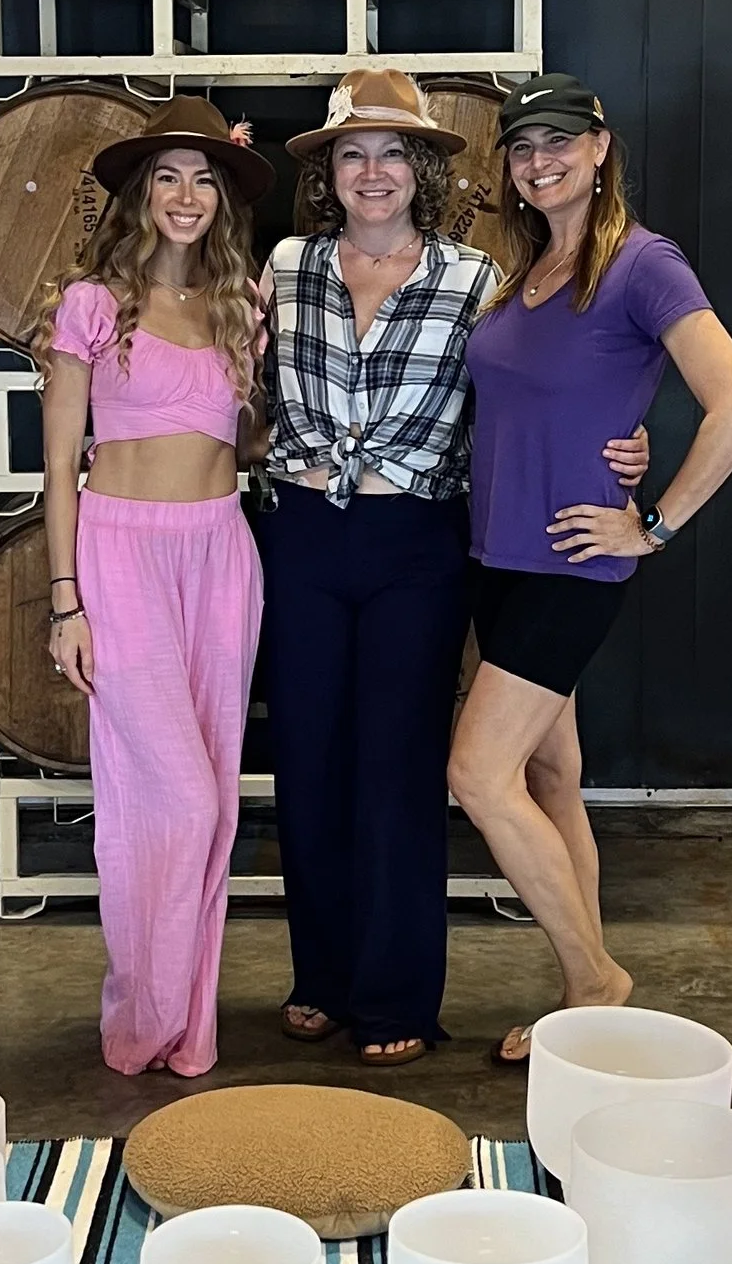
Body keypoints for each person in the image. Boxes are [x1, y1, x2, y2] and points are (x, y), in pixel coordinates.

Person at [261, 69, 649, 1068]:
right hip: (301, 533)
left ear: (425, 171)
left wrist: (626, 445)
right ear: (329, 174)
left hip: (416, 544)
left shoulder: (476, 280)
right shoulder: (287, 265)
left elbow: (538, 391)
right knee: (307, 762)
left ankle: (394, 1000)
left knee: (396, 768)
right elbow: (245, 394)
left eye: (395, 154)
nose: (373, 172)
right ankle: (322, 978)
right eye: (353, 154)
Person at [445, 76, 732, 1069]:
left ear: (599, 147)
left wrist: (655, 522)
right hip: (495, 557)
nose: (538, 160)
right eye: (521, 145)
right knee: (551, 776)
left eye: (558, 142)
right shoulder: (527, 267)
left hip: (568, 564)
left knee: (475, 774)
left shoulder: (640, 263)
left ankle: (593, 979)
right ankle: (583, 1001)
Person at [38, 97, 274, 1078]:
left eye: (204, 178)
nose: (186, 195)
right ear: (140, 195)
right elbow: (59, 470)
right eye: (168, 177)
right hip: (122, 555)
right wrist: (64, 603)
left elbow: (252, 439)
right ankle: (140, 1007)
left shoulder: (241, 311)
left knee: (211, 799)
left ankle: (188, 1026)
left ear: (223, 196)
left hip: (221, 555)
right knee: (165, 799)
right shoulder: (90, 304)